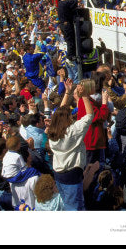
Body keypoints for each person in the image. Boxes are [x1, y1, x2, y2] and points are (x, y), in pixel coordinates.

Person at [46, 78, 94, 211]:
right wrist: (84, 96)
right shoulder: (72, 132)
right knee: (75, 206)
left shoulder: (52, 132)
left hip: (58, 173)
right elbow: (90, 116)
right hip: (72, 176)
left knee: (68, 202)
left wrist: (67, 93)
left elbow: (58, 114)